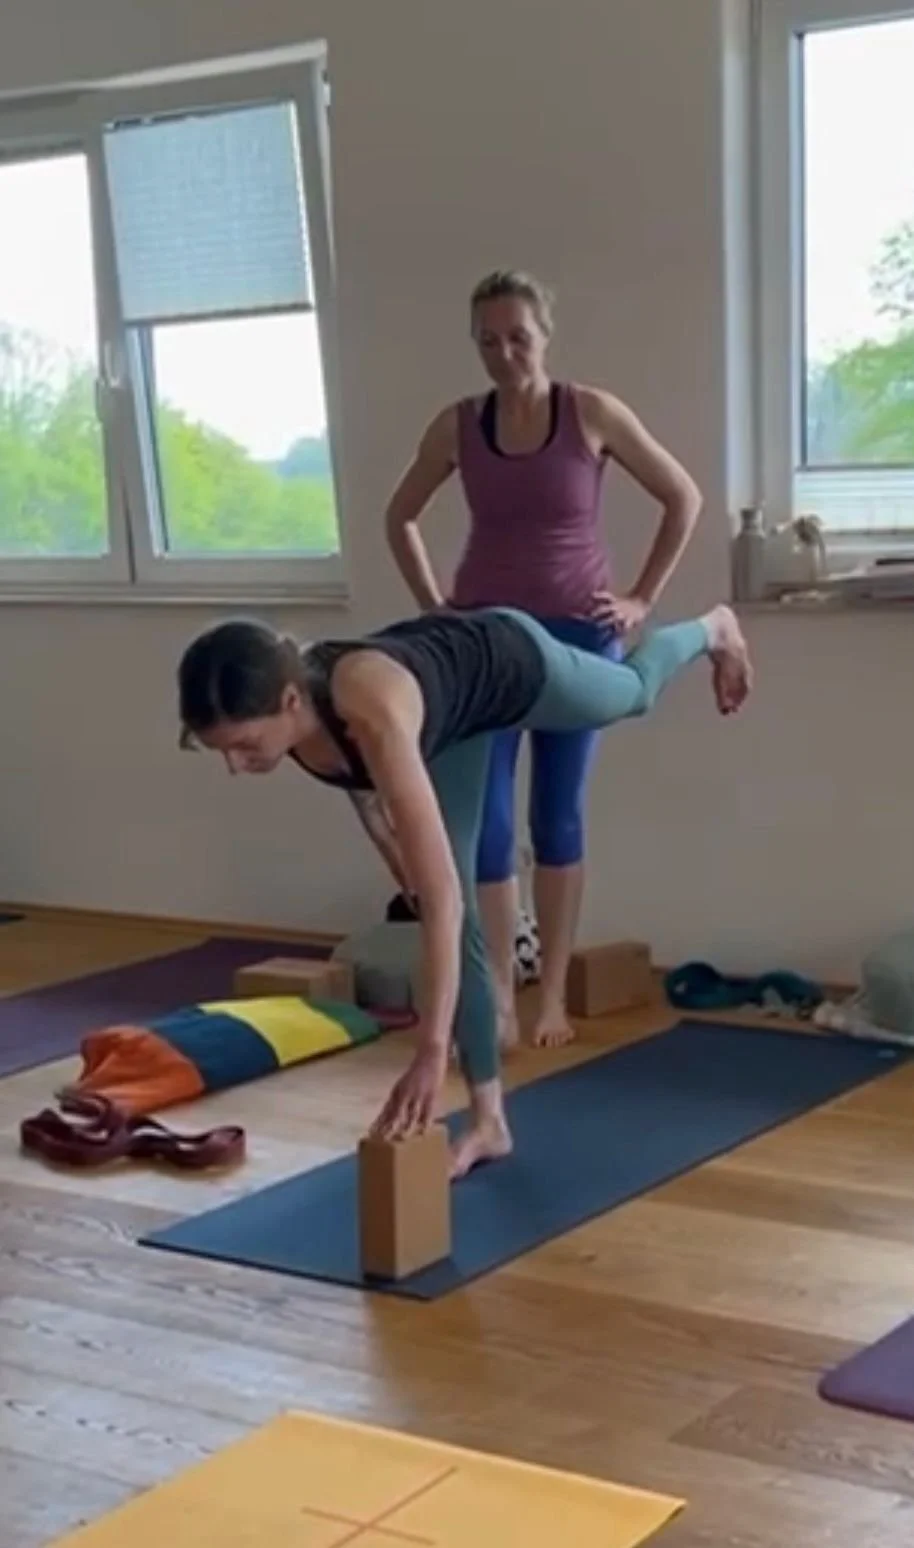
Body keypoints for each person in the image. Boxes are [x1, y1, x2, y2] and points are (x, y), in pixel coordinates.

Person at [177, 600, 752, 1179]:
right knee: (454, 914)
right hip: (449, 718)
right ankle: (489, 1122)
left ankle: (713, 628)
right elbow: (376, 812)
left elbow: (442, 892)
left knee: (632, 694)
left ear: (291, 701)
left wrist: (430, 1050)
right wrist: (417, 890)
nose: (235, 764)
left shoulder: (371, 712)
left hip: (505, 661)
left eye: (245, 744)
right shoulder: (300, 720)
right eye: (222, 749)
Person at [385, 269, 702, 1051]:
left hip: (576, 641)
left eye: (517, 338)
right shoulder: (459, 425)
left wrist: (640, 599)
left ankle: (551, 994)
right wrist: (438, 606)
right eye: (488, 342)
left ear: (545, 335)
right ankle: (496, 990)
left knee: (554, 817)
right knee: (487, 831)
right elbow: (400, 517)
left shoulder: (589, 412)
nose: (504, 354)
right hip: (485, 648)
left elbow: (682, 497)